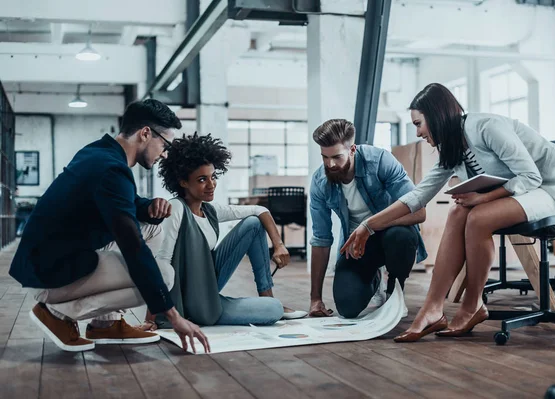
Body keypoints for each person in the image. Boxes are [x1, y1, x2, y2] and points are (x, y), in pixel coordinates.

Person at [342, 83, 555, 342]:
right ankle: (432, 309)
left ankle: (473, 305)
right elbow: (417, 196)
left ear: (436, 115)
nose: (417, 133)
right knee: (457, 213)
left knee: (479, 217)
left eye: (418, 124)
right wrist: (368, 225)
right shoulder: (451, 148)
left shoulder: (486, 127)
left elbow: (530, 176)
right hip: (526, 191)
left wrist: (483, 197)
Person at [9, 99, 210, 354]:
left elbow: (121, 203)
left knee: (153, 228)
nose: (164, 153)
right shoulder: (112, 170)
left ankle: (106, 324)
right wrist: (172, 315)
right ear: (145, 133)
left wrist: (148, 207)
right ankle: (57, 313)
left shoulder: (100, 152)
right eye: (165, 144)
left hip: (47, 259)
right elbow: (133, 247)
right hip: (52, 275)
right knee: (164, 275)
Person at [139, 132, 306, 331]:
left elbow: (260, 210)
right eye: (202, 179)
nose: (211, 185)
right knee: (273, 310)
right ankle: (218, 309)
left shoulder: (209, 210)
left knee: (252, 223)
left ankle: (265, 296)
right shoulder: (176, 209)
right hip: (186, 300)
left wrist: (278, 245)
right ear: (183, 182)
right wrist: (151, 317)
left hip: (207, 287)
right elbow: (163, 263)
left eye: (213, 177)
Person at [308, 119, 427, 319]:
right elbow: (321, 239)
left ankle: (394, 292)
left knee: (400, 236)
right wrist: (315, 299)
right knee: (347, 308)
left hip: (391, 235)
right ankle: (374, 279)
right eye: (325, 157)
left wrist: (370, 226)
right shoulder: (320, 181)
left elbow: (418, 212)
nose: (330, 164)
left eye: (337, 157)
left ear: (352, 149)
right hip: (357, 247)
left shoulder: (380, 160)